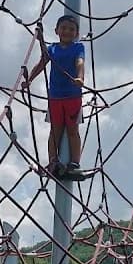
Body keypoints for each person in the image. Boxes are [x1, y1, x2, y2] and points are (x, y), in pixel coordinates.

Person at [24, 14, 85, 179]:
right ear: (56, 31)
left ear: (76, 33)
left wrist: (80, 77)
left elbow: (80, 62)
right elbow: (41, 64)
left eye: (71, 29)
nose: (67, 31)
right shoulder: (52, 49)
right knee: (55, 131)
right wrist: (29, 80)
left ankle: (74, 162)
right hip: (55, 97)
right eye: (64, 28)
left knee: (73, 130)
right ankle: (53, 161)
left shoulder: (78, 47)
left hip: (72, 96)